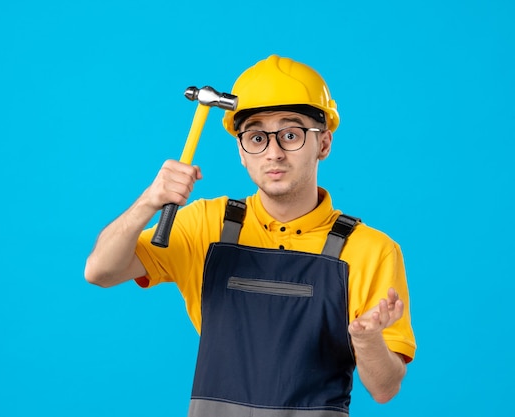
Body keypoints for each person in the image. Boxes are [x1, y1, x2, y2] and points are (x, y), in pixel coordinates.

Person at [85, 54, 416, 416]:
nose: (273, 153)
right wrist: (149, 202)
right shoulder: (205, 226)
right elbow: (100, 272)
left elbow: (384, 389)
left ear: (323, 144)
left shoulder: (370, 250)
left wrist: (367, 340)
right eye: (257, 137)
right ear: (242, 152)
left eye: (291, 134)